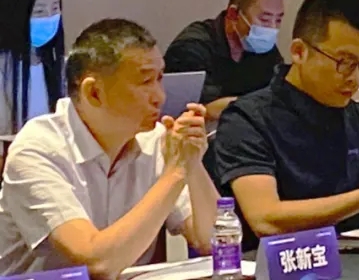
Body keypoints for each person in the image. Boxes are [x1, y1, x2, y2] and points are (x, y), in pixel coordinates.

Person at [0, 19, 218, 278]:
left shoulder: (157, 140)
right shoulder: (39, 149)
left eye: (160, 79)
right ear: (94, 92)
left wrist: (192, 161)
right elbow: (95, 264)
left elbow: (213, 241)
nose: (160, 96)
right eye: (145, 81)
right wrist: (177, 172)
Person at [212, 0, 359, 249]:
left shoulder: (353, 116)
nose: (356, 78)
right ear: (299, 52)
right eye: (344, 62)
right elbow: (265, 219)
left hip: (349, 262)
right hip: (274, 265)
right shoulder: (247, 120)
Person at [164, 0, 287, 122]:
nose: (272, 28)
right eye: (265, 19)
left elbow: (281, 93)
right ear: (233, 14)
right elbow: (201, 109)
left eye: (278, 20)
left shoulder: (265, 48)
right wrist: (261, 104)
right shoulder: (191, 48)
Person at [0, 0, 66, 137]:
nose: (50, 18)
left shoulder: (62, 67)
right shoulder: (3, 69)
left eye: (55, 8)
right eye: (39, 12)